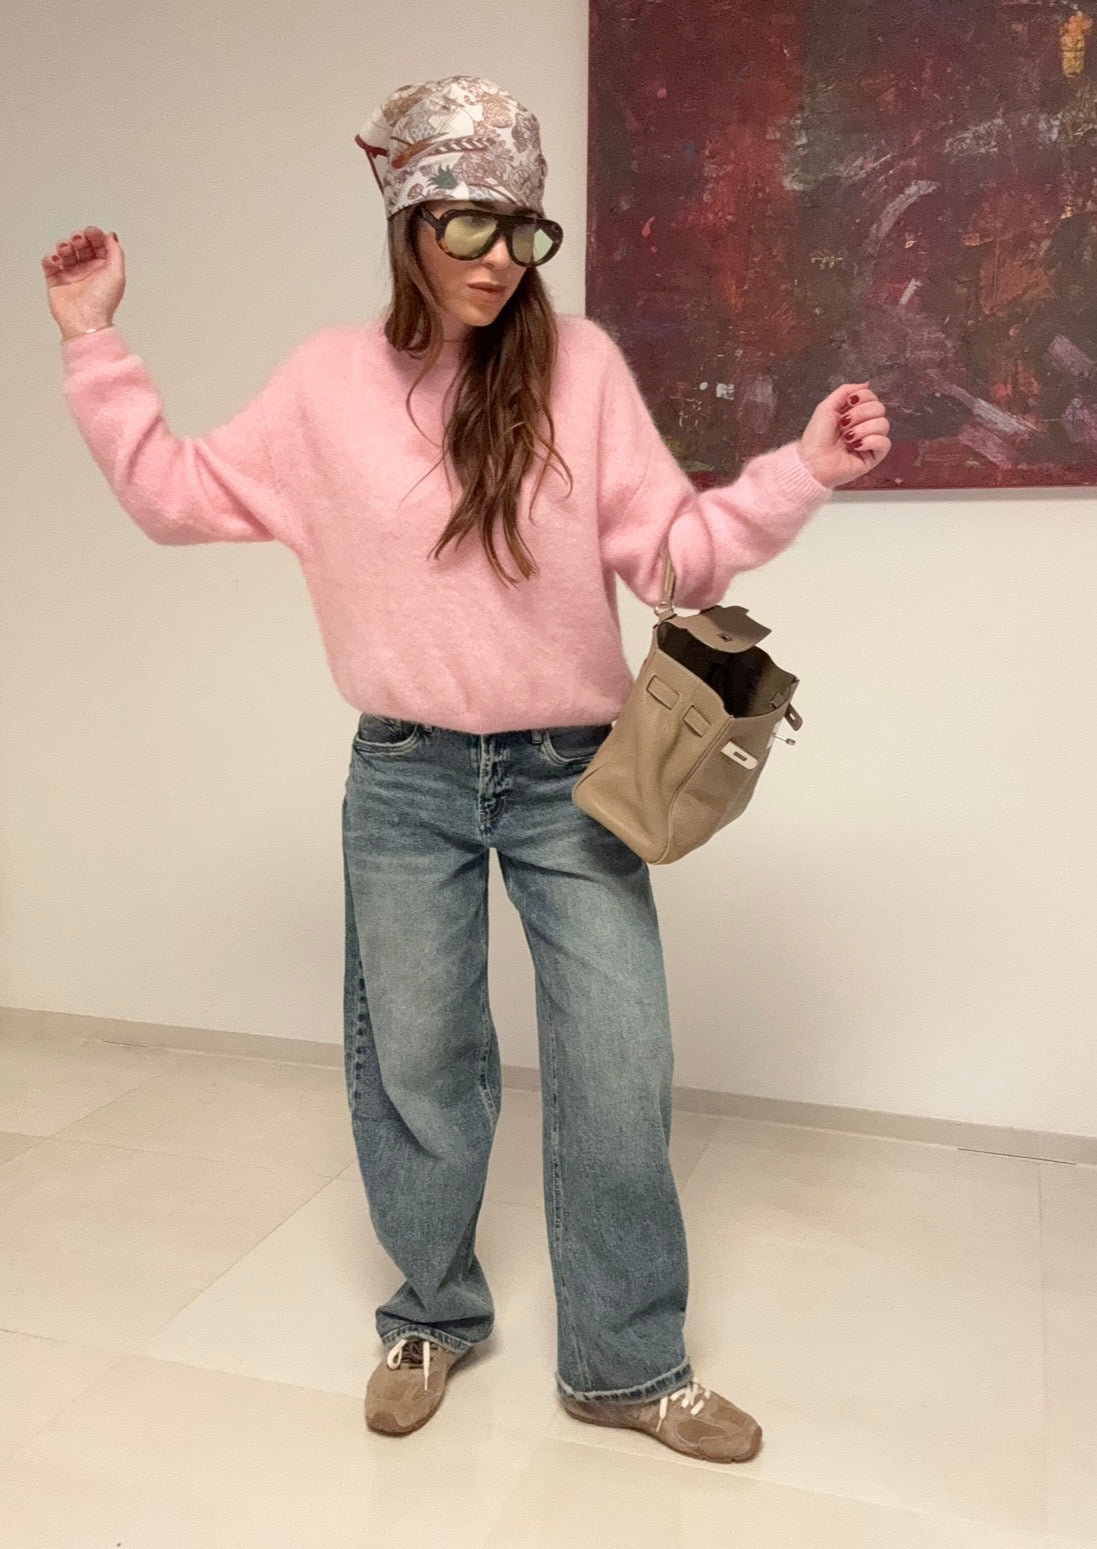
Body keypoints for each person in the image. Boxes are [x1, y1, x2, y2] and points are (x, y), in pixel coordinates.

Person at [43, 75, 890, 1465]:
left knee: (619, 1063)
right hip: (404, 778)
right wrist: (94, 341)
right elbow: (174, 496)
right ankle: (431, 1313)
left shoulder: (578, 370)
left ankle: (626, 1363)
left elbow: (675, 561)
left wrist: (799, 470)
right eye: (470, 225)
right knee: (422, 1065)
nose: (502, 259)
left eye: (523, 231)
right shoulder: (326, 384)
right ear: (408, 222)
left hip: (573, 776)